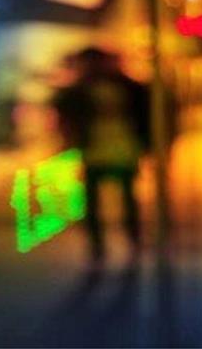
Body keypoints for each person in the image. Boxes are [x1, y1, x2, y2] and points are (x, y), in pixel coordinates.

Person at [53, 47, 151, 261]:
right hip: (97, 149)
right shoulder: (83, 90)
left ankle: (129, 237)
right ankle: (99, 244)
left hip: (120, 147)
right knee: (95, 199)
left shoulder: (127, 88)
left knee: (125, 197)